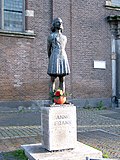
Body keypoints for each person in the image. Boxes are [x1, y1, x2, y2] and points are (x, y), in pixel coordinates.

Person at [47, 18, 70, 94]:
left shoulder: (64, 37)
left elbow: (63, 47)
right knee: (53, 78)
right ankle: (52, 98)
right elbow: (48, 49)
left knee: (62, 78)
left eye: (61, 22)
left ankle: (62, 97)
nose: (60, 24)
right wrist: (51, 59)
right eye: (57, 22)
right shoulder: (51, 36)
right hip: (54, 56)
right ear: (54, 24)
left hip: (63, 56)